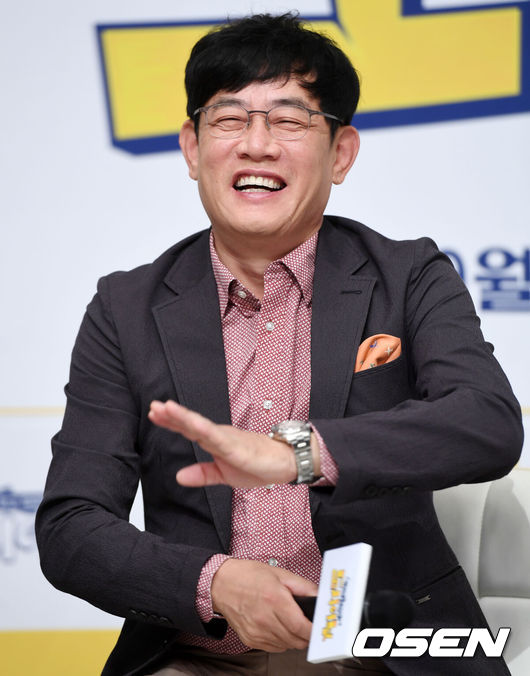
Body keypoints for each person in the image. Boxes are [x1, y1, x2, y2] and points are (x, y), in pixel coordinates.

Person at [36, 12, 523, 676]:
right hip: (200, 653)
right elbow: (71, 527)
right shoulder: (126, 308)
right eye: (229, 119)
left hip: (378, 653)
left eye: (290, 120)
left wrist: (297, 453)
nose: (256, 145)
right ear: (192, 148)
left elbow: (487, 422)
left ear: (340, 153)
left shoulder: (407, 275)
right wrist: (213, 583)